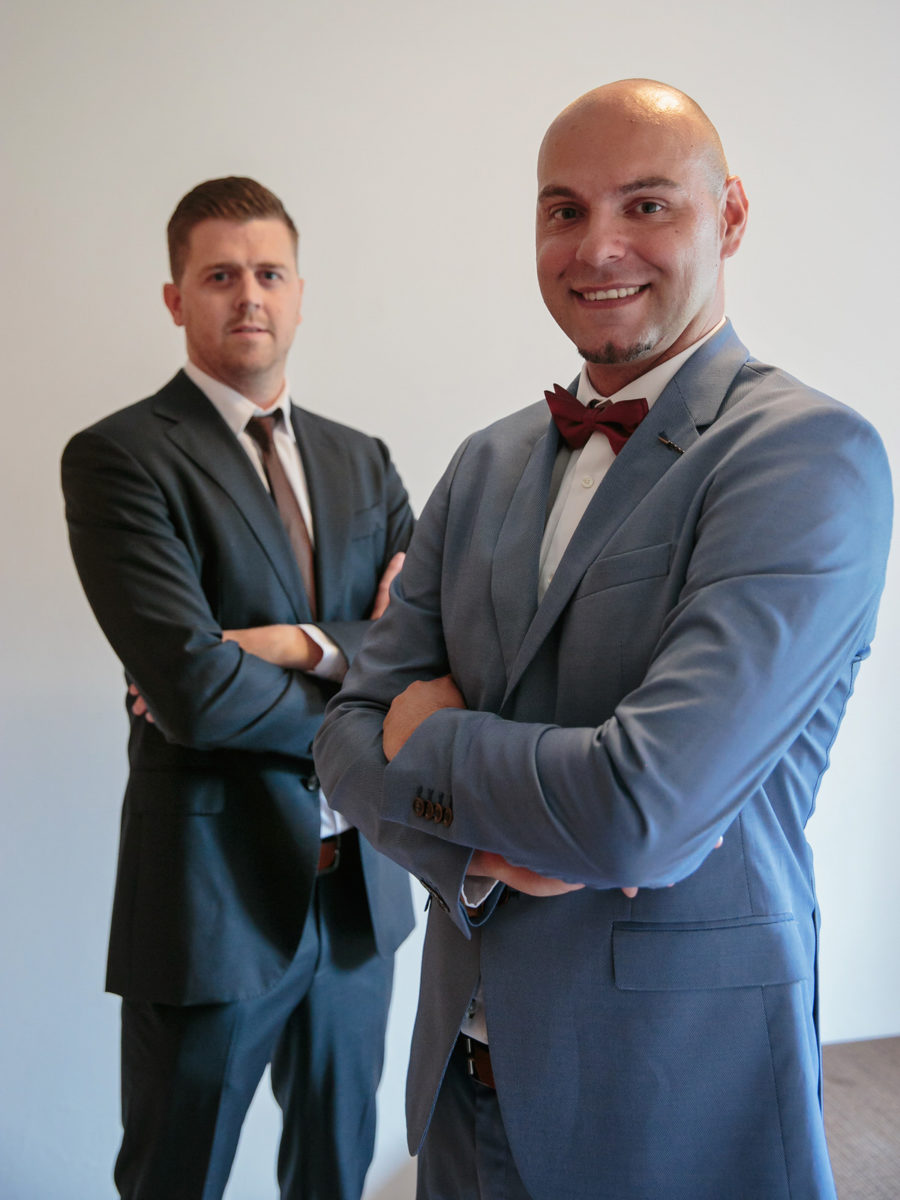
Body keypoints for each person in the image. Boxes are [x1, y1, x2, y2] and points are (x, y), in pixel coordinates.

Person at [313, 80, 893, 1200]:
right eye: (565, 210)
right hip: (460, 1094)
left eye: (647, 205)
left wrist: (427, 742)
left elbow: (639, 812)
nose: (598, 247)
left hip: (672, 1103)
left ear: (729, 216)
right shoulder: (485, 460)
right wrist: (485, 853)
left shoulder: (805, 455)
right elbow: (341, 738)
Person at [61, 176, 416, 1200]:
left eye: (269, 273)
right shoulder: (120, 458)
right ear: (176, 298)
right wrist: (371, 693)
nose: (249, 295)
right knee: (176, 1179)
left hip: (357, 903)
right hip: (211, 902)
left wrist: (301, 646)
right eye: (220, 276)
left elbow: (434, 653)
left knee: (335, 1177)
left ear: (300, 292)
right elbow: (195, 693)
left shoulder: (363, 460)